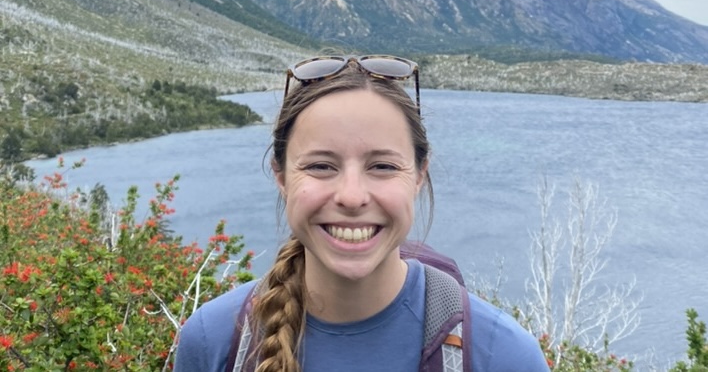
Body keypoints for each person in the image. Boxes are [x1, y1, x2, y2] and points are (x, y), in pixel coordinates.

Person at [174, 55, 550, 372]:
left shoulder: (503, 355)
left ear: (420, 174)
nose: (352, 197)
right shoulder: (214, 341)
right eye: (321, 166)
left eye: (383, 167)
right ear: (281, 176)